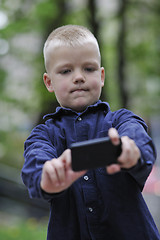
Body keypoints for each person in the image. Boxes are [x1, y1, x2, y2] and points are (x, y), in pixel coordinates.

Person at [21, 25, 160, 240]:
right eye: (66, 71)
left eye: (89, 69)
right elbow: (35, 161)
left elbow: (140, 141)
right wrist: (47, 175)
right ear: (49, 82)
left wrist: (132, 152)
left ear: (102, 75)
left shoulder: (122, 120)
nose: (79, 77)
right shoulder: (43, 134)